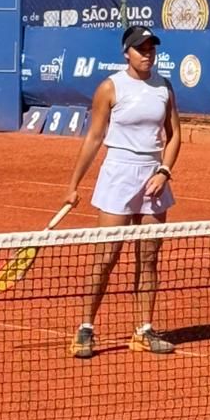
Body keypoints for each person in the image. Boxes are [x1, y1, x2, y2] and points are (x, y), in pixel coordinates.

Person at [64, 24, 181, 359]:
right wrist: (73, 185)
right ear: (126, 53)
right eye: (141, 49)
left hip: (153, 178)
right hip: (117, 175)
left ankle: (143, 330)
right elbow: (94, 137)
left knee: (149, 257)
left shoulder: (164, 87)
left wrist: (164, 171)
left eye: (151, 48)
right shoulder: (109, 87)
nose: (148, 54)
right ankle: (85, 328)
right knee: (106, 257)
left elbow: (174, 134)